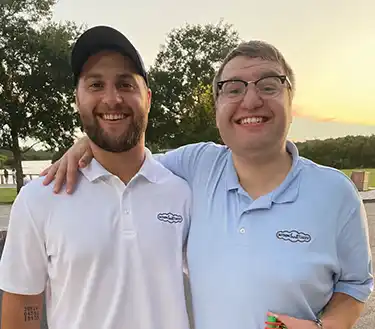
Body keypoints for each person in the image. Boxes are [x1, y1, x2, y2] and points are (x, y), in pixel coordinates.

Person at [41, 40, 373, 329]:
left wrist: (328, 325)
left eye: (269, 85)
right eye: (234, 88)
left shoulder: (335, 194)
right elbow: (130, 161)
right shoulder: (195, 166)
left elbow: (356, 283)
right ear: (217, 110)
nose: (251, 100)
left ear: (291, 102)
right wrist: (88, 144)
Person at [0, 26, 192, 329]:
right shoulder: (39, 198)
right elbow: (22, 307)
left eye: (126, 84)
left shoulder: (183, 192)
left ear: (148, 98)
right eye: (96, 85)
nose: (112, 99)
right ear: (77, 99)